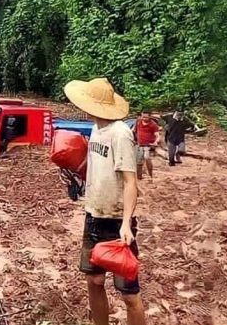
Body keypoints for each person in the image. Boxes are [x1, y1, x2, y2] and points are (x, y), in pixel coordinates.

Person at [63, 78, 146, 325]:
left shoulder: (121, 134)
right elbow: (97, 169)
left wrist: (125, 224)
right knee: (94, 281)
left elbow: (131, 183)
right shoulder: (96, 129)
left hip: (115, 222)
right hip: (93, 216)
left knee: (129, 293)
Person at [134, 112, 160, 180]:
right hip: (139, 144)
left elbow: (157, 135)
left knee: (147, 157)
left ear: (150, 117)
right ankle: (139, 177)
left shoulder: (153, 125)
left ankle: (150, 175)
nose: (144, 118)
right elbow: (134, 131)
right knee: (138, 161)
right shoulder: (138, 122)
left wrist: (156, 141)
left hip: (148, 145)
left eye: (146, 117)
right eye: (143, 117)